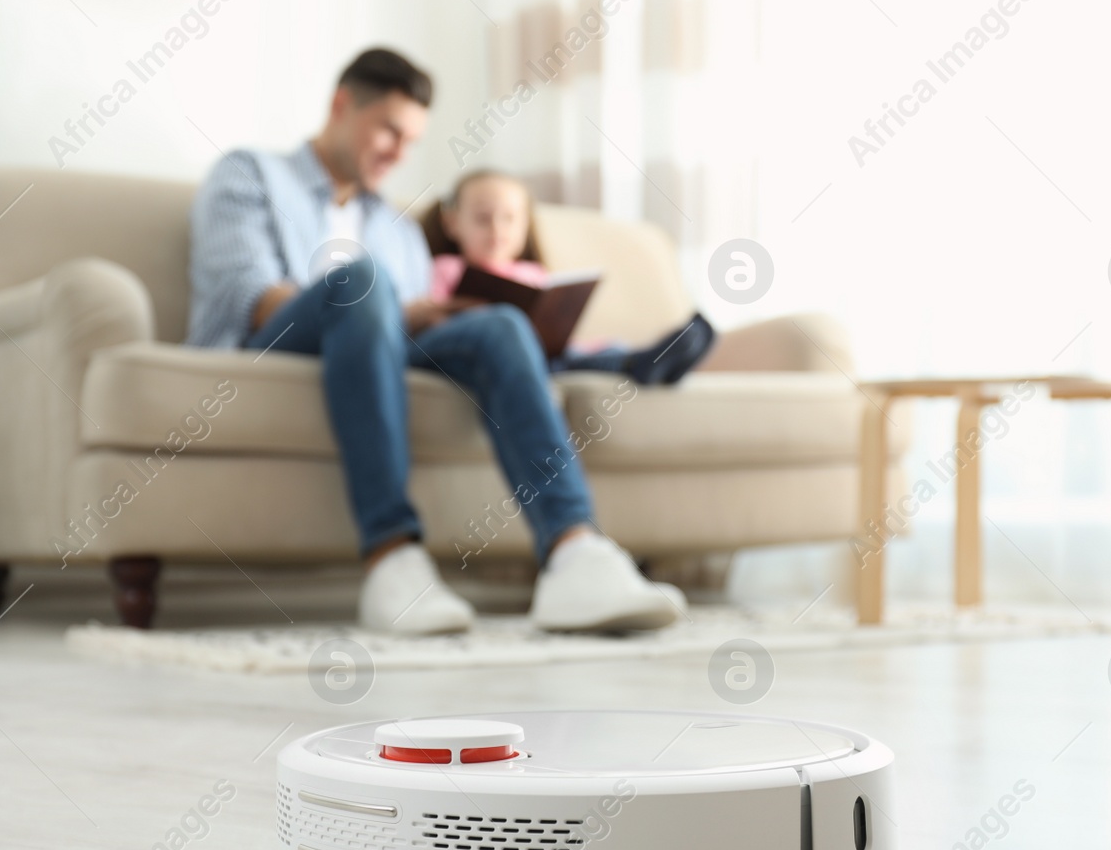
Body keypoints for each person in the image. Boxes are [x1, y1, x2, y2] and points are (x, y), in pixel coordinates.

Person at [187, 48, 681, 636]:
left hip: (380, 347)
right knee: (361, 281)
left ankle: (575, 552)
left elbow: (406, 325)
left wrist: (432, 316)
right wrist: (384, 306)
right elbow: (250, 296)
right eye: (389, 131)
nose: (399, 153)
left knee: (498, 325)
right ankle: (392, 557)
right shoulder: (251, 174)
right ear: (342, 106)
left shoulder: (395, 227)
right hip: (276, 344)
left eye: (412, 141)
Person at [422, 169, 715, 383]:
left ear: (525, 224)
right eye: (483, 219)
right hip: (507, 360)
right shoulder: (447, 269)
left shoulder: (533, 273)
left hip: (552, 352)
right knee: (564, 366)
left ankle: (651, 356)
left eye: (509, 218)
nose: (497, 230)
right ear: (452, 223)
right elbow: (433, 320)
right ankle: (642, 365)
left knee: (603, 348)